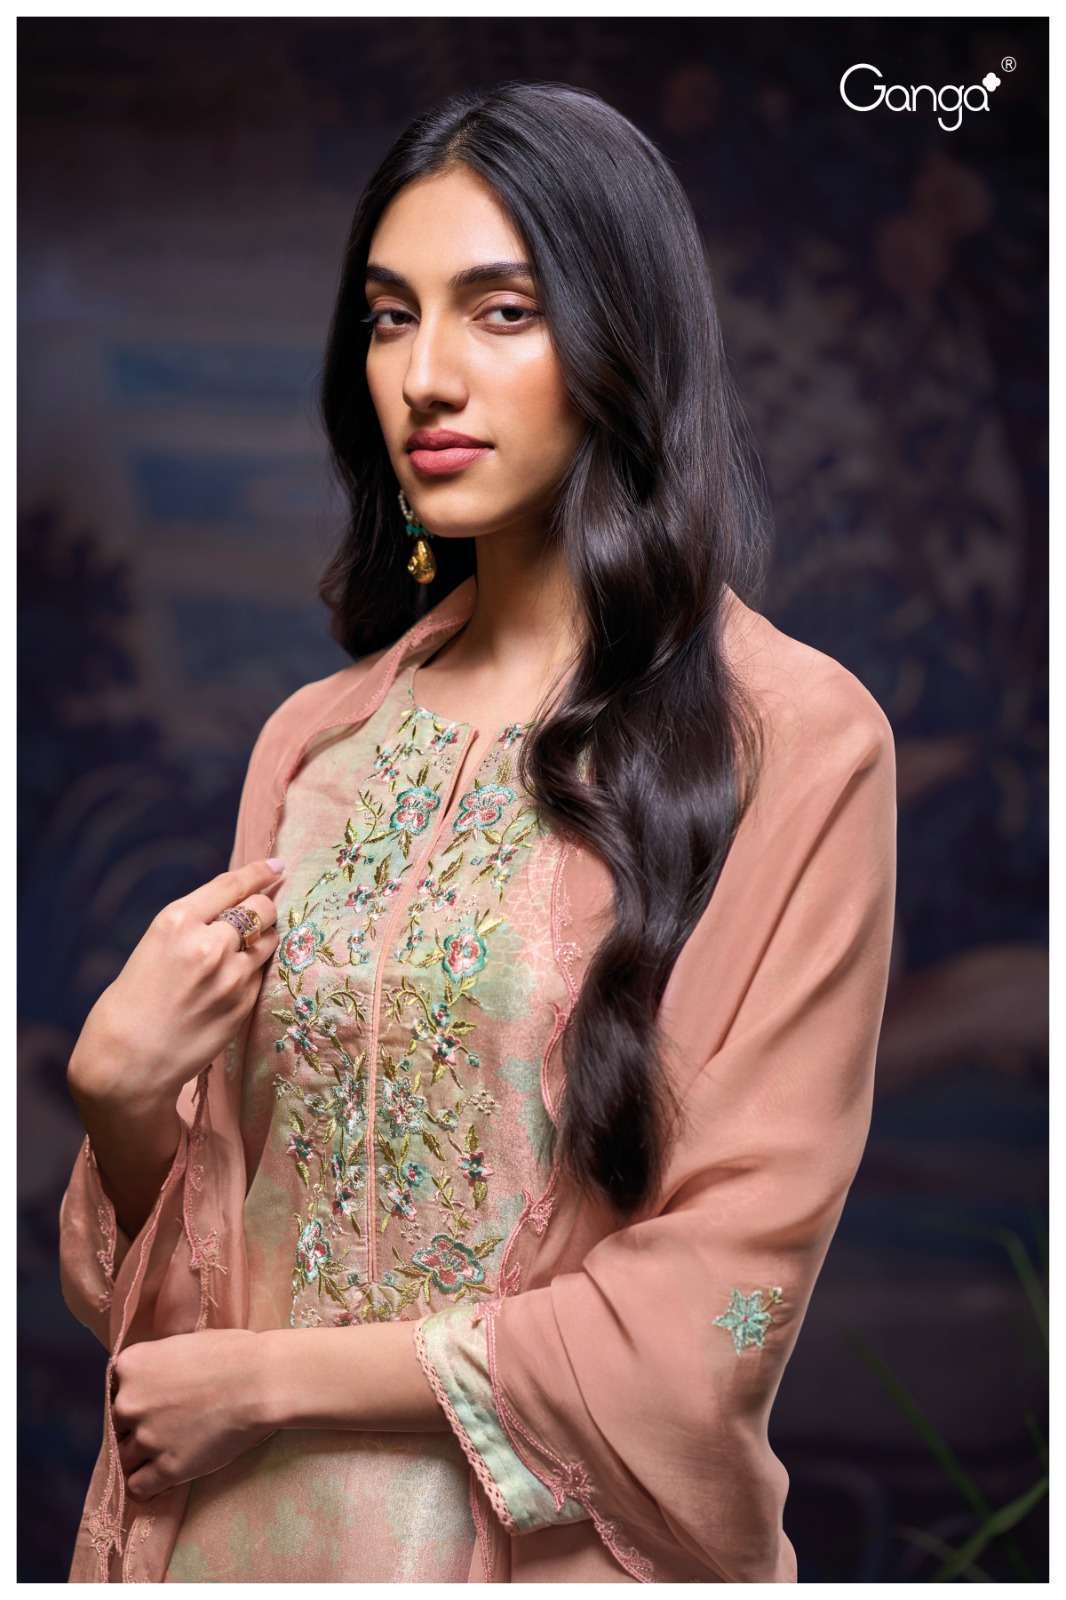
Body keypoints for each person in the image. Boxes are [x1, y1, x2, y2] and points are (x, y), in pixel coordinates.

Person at [59, 80, 897, 1584]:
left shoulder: (793, 740)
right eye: (390, 318)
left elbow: (721, 1292)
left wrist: (277, 1383)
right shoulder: (314, 744)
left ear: (624, 343)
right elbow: (186, 1321)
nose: (426, 377)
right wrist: (122, 1103)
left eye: (500, 313)